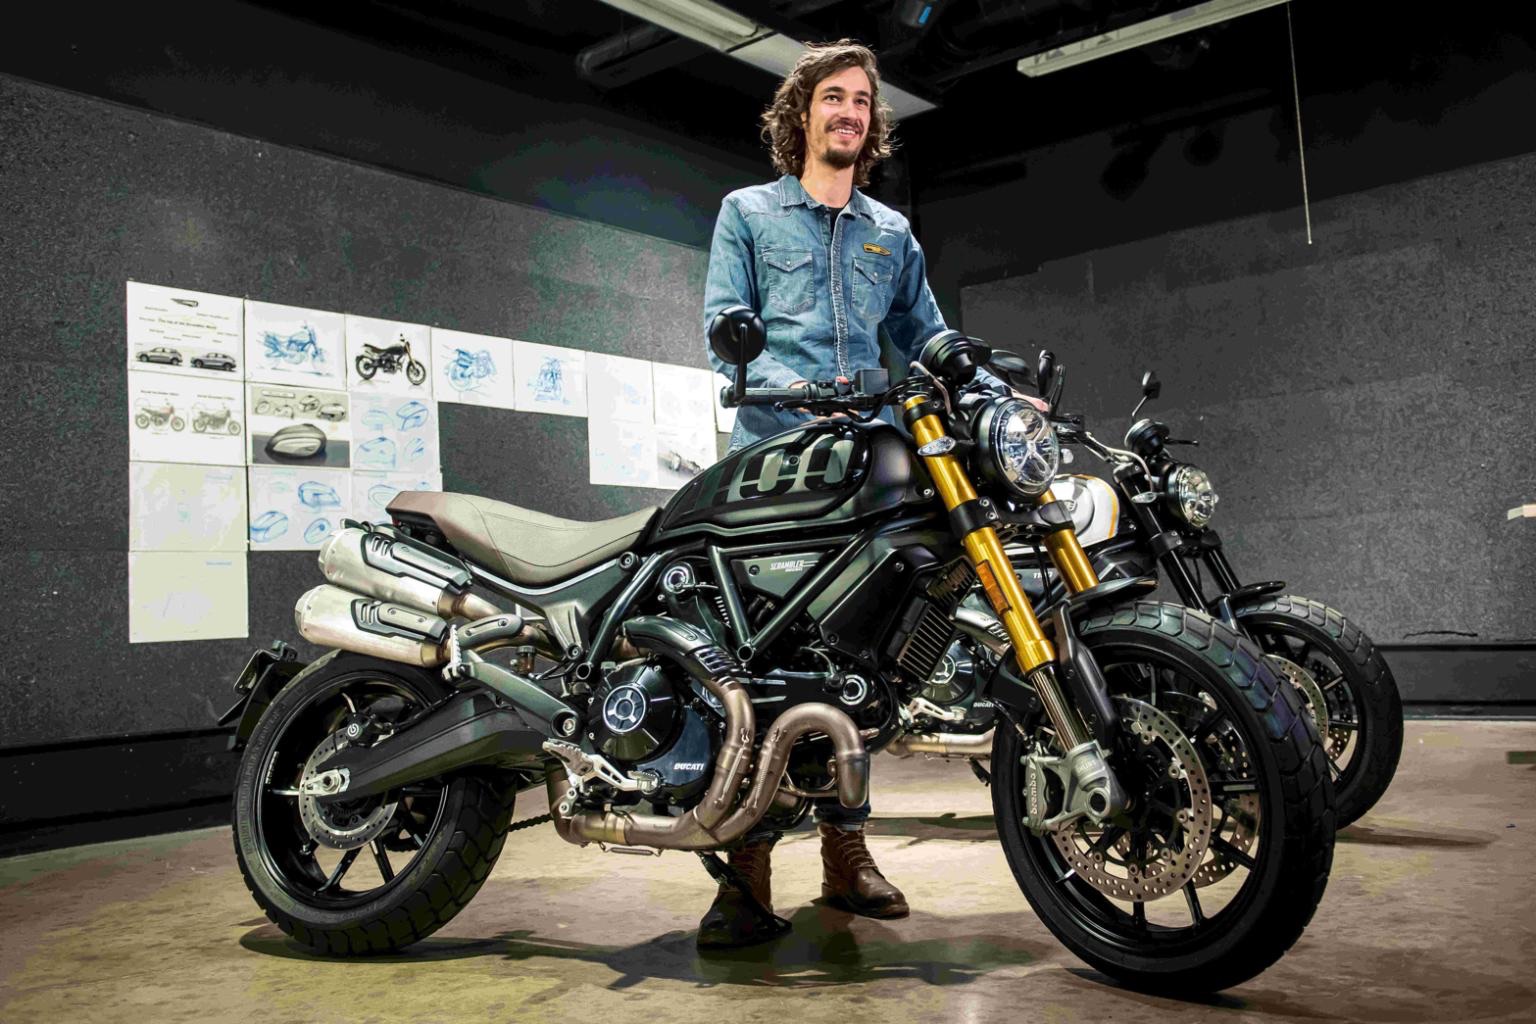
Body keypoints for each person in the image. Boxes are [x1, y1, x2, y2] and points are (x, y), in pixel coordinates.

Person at [700, 38, 1009, 949]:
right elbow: (723, 324)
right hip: (772, 470)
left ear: (873, 124)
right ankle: (745, 873)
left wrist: (992, 393)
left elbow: (928, 335)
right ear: (802, 113)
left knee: (860, 663)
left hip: (866, 471)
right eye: (833, 97)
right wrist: (765, 362)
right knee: (760, 670)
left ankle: (847, 855)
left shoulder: (891, 232)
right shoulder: (748, 213)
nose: (849, 112)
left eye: (862, 102)